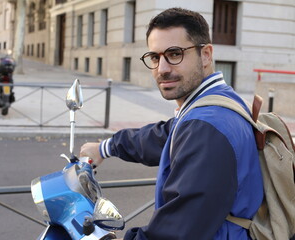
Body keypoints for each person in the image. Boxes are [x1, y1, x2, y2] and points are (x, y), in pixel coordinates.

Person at [80, 7, 263, 240]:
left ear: (205, 55)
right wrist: (105, 147)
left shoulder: (206, 127)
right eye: (155, 57)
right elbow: (167, 135)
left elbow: (177, 232)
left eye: (175, 54)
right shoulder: (218, 102)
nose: (162, 69)